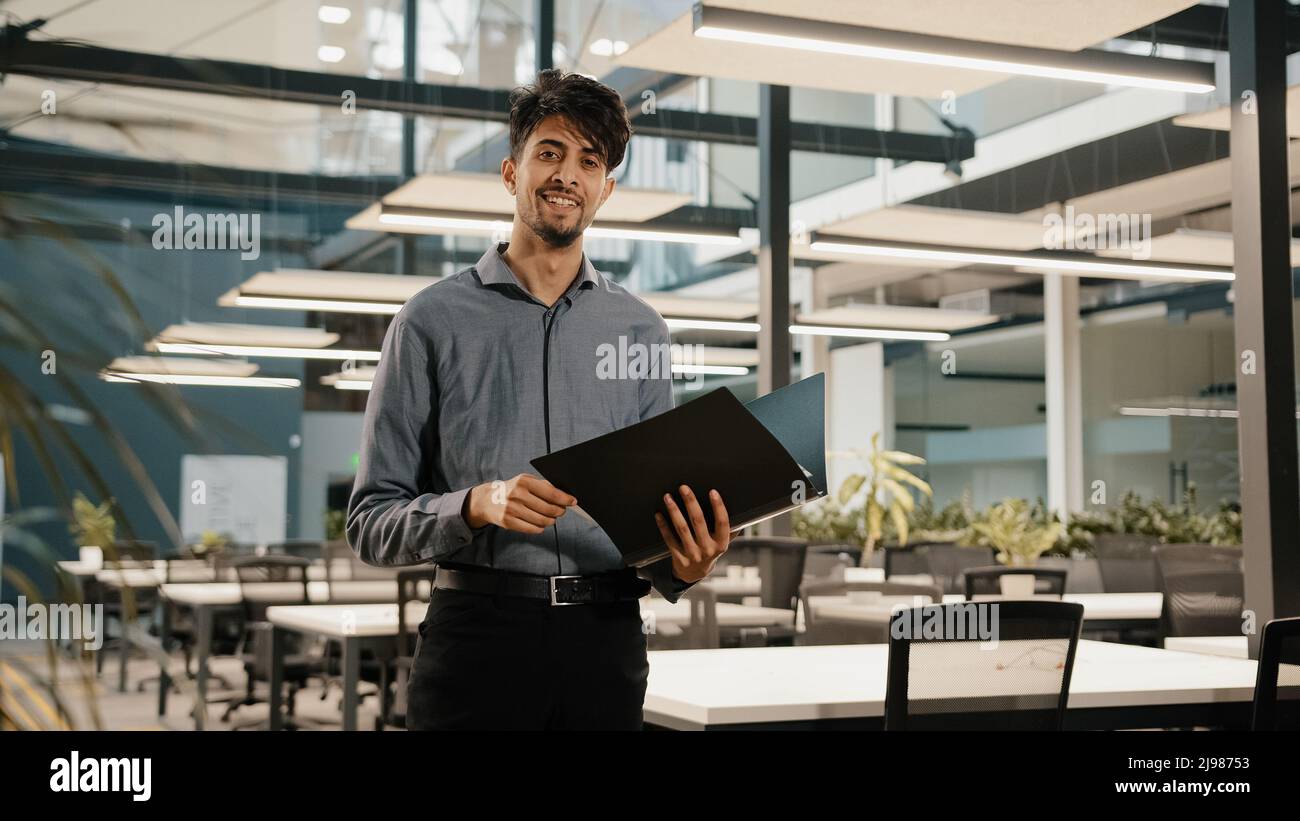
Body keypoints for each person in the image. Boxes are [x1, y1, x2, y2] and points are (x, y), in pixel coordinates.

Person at [347, 69, 732, 730]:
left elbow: (655, 516)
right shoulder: (429, 322)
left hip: (605, 645)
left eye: (589, 161)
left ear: (605, 189)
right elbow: (370, 520)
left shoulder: (641, 330)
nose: (567, 175)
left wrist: (686, 565)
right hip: (478, 641)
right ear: (510, 171)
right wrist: (475, 503)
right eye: (550, 151)